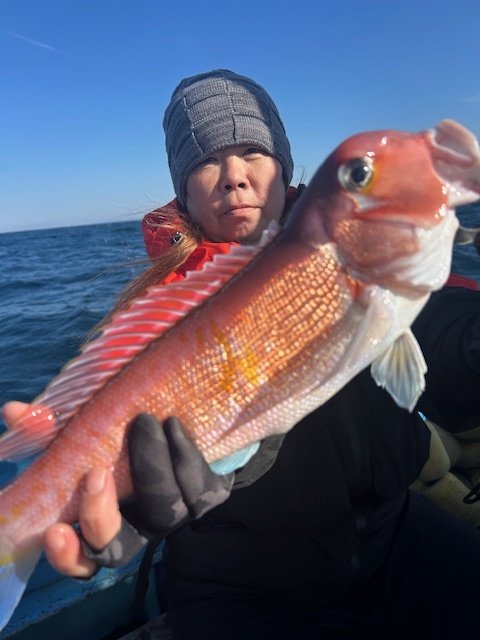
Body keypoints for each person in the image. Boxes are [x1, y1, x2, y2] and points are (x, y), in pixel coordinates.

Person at [14, 70, 480, 638]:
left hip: (393, 532)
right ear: (183, 192)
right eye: (206, 162)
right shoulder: (158, 311)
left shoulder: (369, 260)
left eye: (253, 152)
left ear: (284, 167)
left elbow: (442, 325)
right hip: (242, 585)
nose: (234, 176)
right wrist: (150, 501)